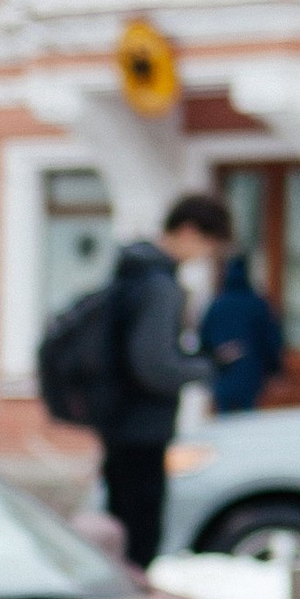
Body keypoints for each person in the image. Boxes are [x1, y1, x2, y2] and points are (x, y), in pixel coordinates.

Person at [94, 192, 224, 566]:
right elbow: (155, 366)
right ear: (188, 231)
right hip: (143, 425)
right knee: (140, 534)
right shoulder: (160, 285)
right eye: (208, 245)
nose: (205, 256)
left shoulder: (132, 271)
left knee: (119, 527)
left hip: (119, 418)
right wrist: (206, 367)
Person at [200, 237, 288, 415]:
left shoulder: (217, 304)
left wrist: (213, 359)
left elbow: (204, 338)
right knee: (248, 422)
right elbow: (271, 340)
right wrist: (276, 370)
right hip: (251, 373)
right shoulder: (258, 304)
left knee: (225, 420)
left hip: (223, 373)